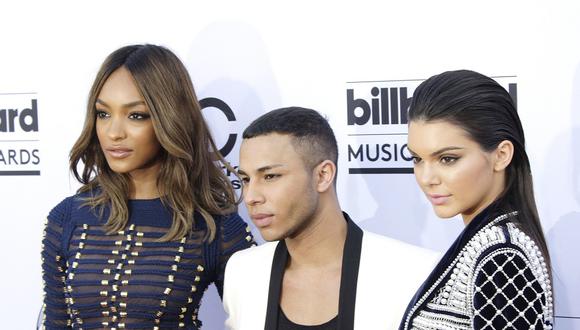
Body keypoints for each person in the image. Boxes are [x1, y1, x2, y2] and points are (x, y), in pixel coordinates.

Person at [40, 44, 255, 329]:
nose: (114, 133)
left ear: (170, 119)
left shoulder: (214, 225)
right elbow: (57, 323)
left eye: (136, 115)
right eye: (103, 114)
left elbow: (258, 318)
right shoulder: (66, 218)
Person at [223, 107, 439, 329]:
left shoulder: (412, 274)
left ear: (323, 175)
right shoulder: (243, 273)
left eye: (270, 176)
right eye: (246, 179)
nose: (250, 197)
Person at [400, 70, 554, 329]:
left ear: (501, 155)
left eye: (447, 159)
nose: (427, 178)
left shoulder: (503, 258)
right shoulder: (489, 245)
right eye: (417, 159)